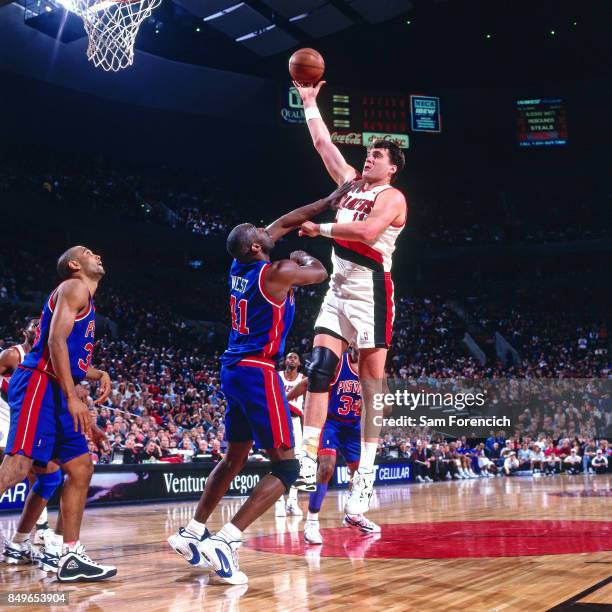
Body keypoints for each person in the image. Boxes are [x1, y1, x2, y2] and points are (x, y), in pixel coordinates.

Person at [167, 183, 351, 585]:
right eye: (256, 229)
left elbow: (285, 222)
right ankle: (227, 540)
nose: (263, 227)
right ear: (255, 247)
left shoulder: (240, 265)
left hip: (233, 368)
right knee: (287, 466)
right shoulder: (278, 271)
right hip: (257, 370)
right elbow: (319, 272)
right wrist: (304, 252)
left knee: (234, 458)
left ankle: (193, 532)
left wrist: (327, 202)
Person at [293, 80, 408, 518]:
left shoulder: (392, 197)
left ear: (392, 167)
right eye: (369, 153)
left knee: (371, 386)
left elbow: (364, 233)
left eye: (378, 155)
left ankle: (365, 477)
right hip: (338, 286)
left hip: (371, 289)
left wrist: (318, 229)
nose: (369, 157)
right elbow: (324, 144)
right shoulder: (349, 183)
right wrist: (309, 102)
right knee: (320, 367)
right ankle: (307, 456)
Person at [0, 246, 115, 582]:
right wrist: (71, 396)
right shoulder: (73, 286)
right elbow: (54, 342)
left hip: (56, 389)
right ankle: (27, 543)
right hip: (39, 382)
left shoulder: (85, 300)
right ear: (75, 265)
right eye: (89, 252)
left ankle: (70, 556)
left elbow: (76, 362)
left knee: (81, 468)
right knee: (18, 466)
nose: (98, 255)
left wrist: (99, 375)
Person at [286, 347, 380, 544]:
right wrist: (284, 400)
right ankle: (311, 522)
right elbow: (308, 382)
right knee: (327, 468)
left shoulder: (371, 367)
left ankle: (354, 516)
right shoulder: (339, 363)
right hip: (331, 423)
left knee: (359, 474)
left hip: (354, 427)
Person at [276, 352, 306, 517]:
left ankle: (292, 502)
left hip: (295, 422)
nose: (292, 359)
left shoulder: (303, 378)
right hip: (280, 420)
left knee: (298, 462)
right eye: (289, 357)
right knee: (279, 460)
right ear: (285, 361)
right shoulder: (278, 376)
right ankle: (279, 502)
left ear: (299, 363)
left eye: (295, 357)